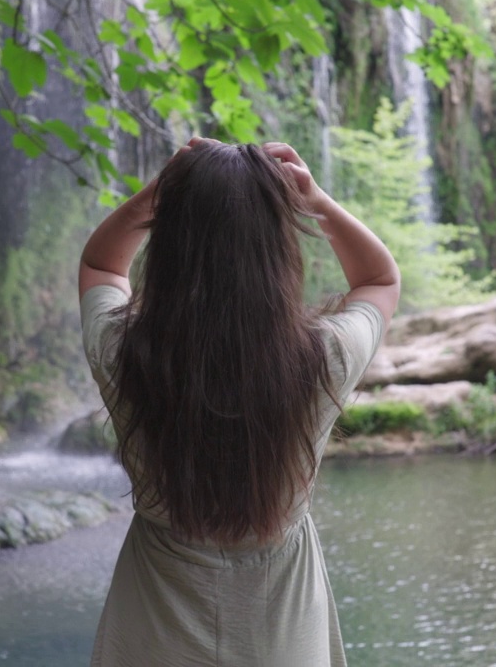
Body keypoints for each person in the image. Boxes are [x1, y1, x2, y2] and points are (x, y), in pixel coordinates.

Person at [79, 138, 400, 666]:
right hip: (282, 633)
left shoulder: (124, 353)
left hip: (153, 632)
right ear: (278, 248)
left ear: (168, 242)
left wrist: (159, 195)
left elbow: (99, 266)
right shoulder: (324, 360)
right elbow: (379, 280)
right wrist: (317, 201)